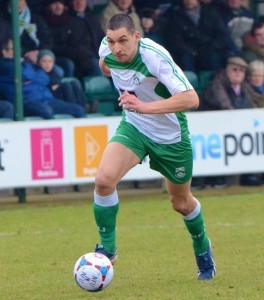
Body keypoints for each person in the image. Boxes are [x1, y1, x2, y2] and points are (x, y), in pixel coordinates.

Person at [92, 14, 216, 280]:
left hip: (170, 137)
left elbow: (191, 98)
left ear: (137, 36)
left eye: (123, 40)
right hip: (135, 127)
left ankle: (202, 247)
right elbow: (105, 65)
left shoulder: (154, 56)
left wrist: (145, 107)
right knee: (103, 180)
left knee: (181, 203)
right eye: (112, 41)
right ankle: (108, 250)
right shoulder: (108, 50)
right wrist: (136, 108)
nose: (117, 48)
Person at [201, 56, 261, 186]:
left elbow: (253, 104)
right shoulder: (218, 84)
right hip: (214, 126)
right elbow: (225, 105)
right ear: (227, 71)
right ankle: (216, 177)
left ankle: (248, 174)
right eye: (235, 70)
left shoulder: (245, 87)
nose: (238, 73)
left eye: (242, 71)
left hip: (236, 126)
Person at [0, 38, 84, 119]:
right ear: (4, 51)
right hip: (25, 102)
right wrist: (33, 77)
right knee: (46, 111)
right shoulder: (3, 66)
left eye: (18, 48)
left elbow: (45, 78)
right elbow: (23, 75)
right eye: (13, 49)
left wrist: (32, 78)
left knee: (78, 110)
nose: (17, 51)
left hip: (47, 99)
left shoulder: (27, 63)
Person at [166, 0, 234, 72]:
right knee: (185, 59)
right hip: (190, 51)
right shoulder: (177, 17)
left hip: (210, 49)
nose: (188, 1)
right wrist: (193, 52)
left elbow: (222, 35)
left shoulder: (211, 12)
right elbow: (176, 41)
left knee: (215, 57)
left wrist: (210, 48)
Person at [43, 0, 102, 78]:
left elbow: (102, 37)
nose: (79, 2)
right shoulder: (66, 19)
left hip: (97, 54)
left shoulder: (92, 17)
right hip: (81, 58)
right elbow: (73, 46)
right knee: (95, 64)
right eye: (76, 0)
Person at [5, 0, 53, 64]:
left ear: (25, 2)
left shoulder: (36, 19)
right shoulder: (4, 19)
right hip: (15, 58)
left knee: (58, 71)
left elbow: (47, 39)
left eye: (20, 0)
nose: (18, 3)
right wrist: (26, 53)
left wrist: (39, 52)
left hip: (38, 57)